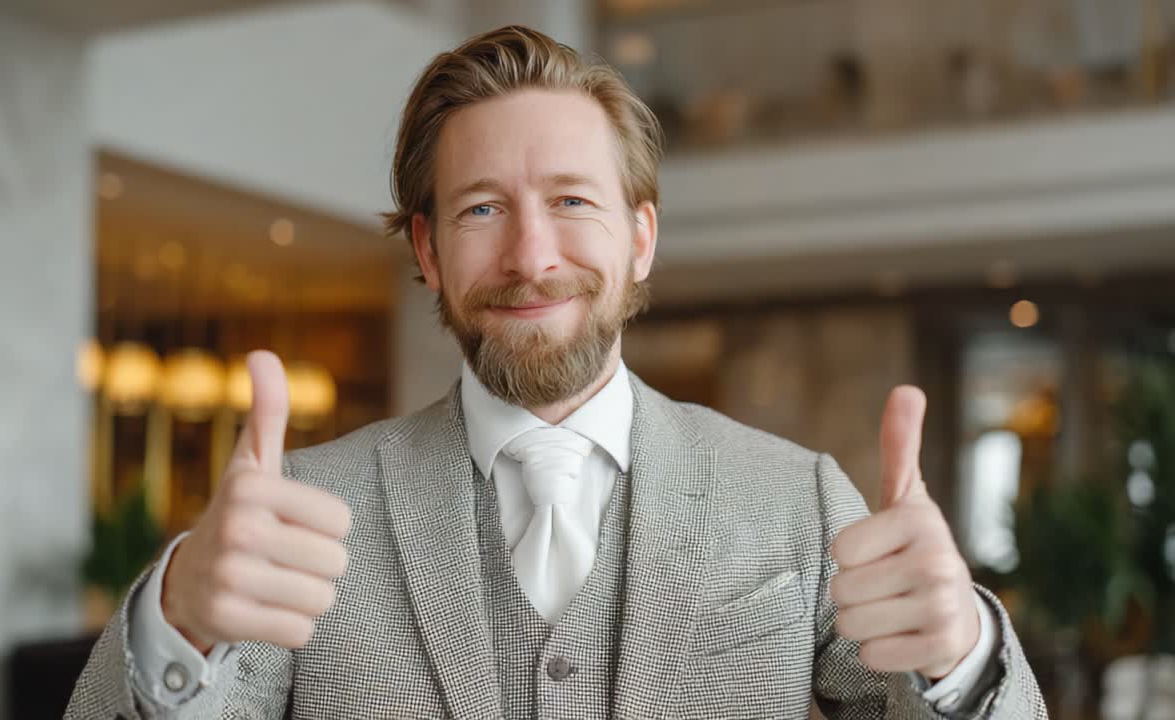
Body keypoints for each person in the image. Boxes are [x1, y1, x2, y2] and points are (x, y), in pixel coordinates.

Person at [67, 26, 1046, 719]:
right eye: (482, 210)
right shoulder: (303, 512)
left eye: (571, 201)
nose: (531, 257)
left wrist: (962, 656)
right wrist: (176, 621)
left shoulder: (797, 497)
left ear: (639, 237)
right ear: (428, 248)